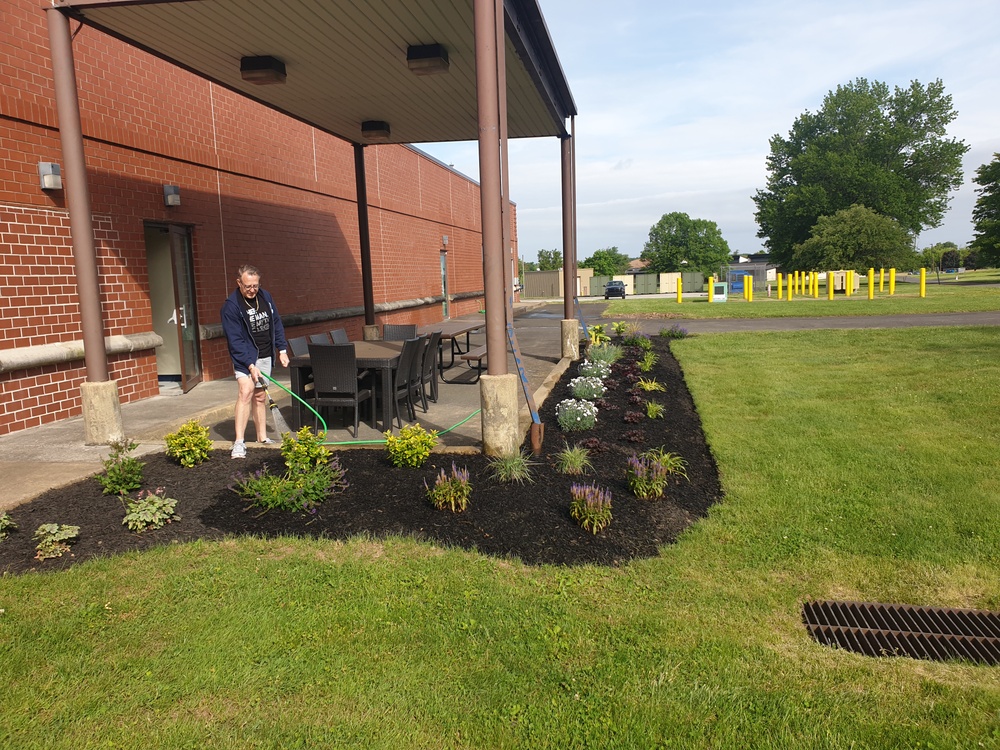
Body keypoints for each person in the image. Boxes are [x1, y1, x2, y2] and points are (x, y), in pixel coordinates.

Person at [221, 264, 290, 458]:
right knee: (245, 391)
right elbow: (235, 340)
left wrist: (282, 349)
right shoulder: (231, 306)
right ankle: (239, 443)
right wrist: (250, 365)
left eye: (255, 286)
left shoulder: (265, 297)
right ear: (239, 283)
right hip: (244, 356)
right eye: (248, 286)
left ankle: (262, 437)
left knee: (260, 396)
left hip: (265, 353)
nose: (252, 290)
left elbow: (276, 323)